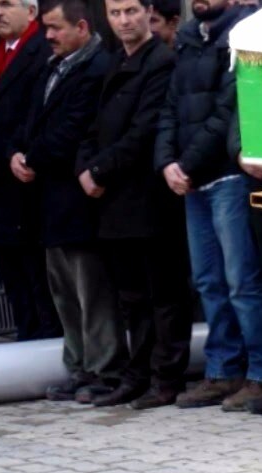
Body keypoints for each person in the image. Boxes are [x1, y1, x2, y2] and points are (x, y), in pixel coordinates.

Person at [155, 0, 262, 410]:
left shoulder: (244, 33)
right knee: (208, 281)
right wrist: (166, 163)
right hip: (192, 182)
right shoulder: (189, 38)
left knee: (242, 281)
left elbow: (229, 109)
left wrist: (185, 164)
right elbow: (171, 106)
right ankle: (223, 370)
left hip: (226, 174)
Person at [75, 0, 192, 408]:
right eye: (115, 13)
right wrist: (84, 168)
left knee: (164, 295)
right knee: (132, 298)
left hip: (147, 198)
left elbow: (144, 132)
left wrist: (99, 171)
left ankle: (166, 377)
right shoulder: (112, 63)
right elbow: (92, 126)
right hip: (113, 202)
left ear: (147, 12)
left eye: (130, 11)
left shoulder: (161, 62)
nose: (123, 20)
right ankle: (137, 374)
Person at [13, 0, 123, 402]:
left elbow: (73, 131)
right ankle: (78, 368)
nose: (49, 36)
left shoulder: (96, 68)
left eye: (56, 28)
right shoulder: (51, 67)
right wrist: (17, 152)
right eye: (46, 28)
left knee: (91, 292)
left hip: (77, 201)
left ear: (80, 26)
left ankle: (104, 370)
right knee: (65, 293)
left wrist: (32, 157)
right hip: (48, 203)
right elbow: (30, 122)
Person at [0, 0, 61, 342]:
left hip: (25, 178)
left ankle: (43, 342)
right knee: (12, 269)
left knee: (36, 270)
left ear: (31, 12)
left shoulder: (42, 49)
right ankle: (26, 334)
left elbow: (29, 115)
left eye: (6, 4)